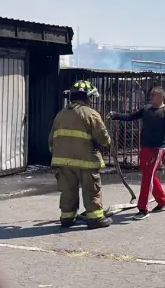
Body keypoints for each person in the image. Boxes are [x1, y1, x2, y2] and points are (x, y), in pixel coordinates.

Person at [48, 80, 113, 229]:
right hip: (86, 161)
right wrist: (106, 143)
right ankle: (95, 218)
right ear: (86, 97)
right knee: (91, 190)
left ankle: (67, 219)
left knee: (68, 191)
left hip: (63, 162)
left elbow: (51, 139)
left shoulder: (61, 114)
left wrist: (57, 155)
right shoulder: (90, 114)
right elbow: (103, 139)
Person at [110, 86, 165, 220]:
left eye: (154, 95)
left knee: (147, 178)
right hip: (145, 147)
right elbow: (130, 116)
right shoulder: (146, 110)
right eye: (151, 95)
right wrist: (115, 115)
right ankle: (163, 200)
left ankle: (143, 208)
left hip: (158, 148)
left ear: (162, 97)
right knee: (148, 175)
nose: (151, 97)